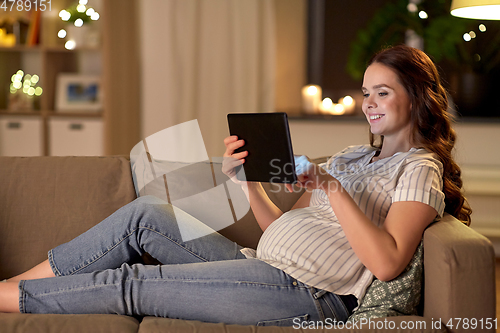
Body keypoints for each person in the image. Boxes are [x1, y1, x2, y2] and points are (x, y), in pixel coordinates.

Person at [0, 45, 471, 326]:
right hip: (264, 262)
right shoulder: (351, 156)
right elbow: (284, 231)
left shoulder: (419, 168)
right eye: (366, 92)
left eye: (382, 92)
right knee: (144, 216)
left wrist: (332, 188)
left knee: (132, 283)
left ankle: (8, 297)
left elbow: (387, 263)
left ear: (418, 96)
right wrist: (248, 186)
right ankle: (14, 287)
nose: (369, 103)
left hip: (308, 295)